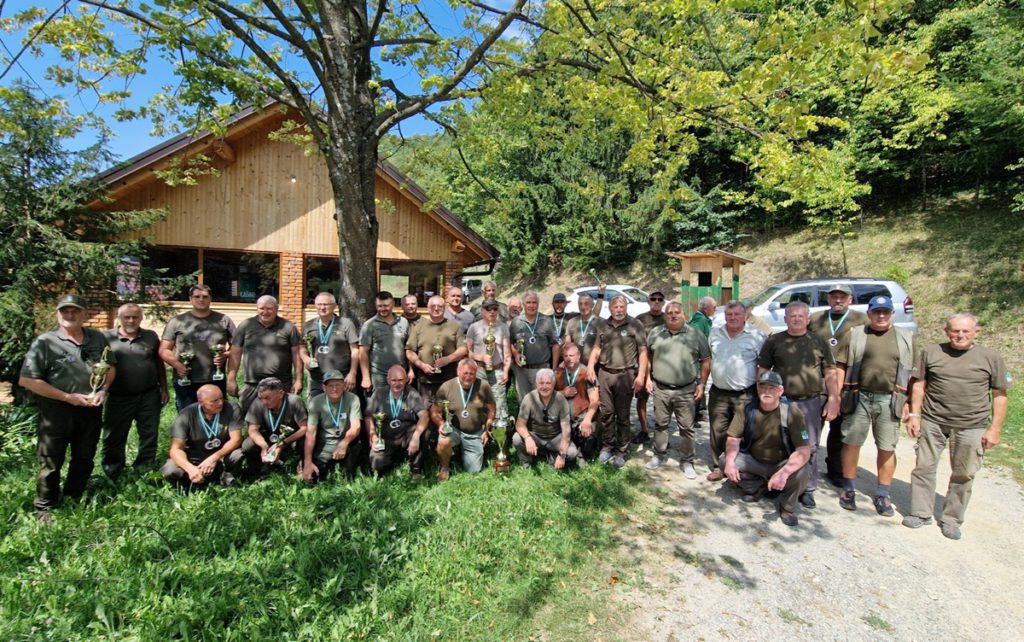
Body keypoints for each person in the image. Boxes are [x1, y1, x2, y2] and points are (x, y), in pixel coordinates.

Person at [902, 313, 1011, 540]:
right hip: (933, 421)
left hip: (972, 425)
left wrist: (995, 429)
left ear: (976, 333)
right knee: (924, 468)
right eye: (955, 331)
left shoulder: (990, 357)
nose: (960, 335)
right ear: (946, 331)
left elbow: (1000, 395)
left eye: (965, 331)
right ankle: (920, 513)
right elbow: (919, 385)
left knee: (964, 473)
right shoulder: (931, 352)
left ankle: (951, 519)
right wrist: (914, 414)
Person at [20, 294, 117, 522]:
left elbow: (110, 367)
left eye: (75, 311)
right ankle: (45, 506)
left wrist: (104, 390)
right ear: (58, 314)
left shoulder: (96, 338)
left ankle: (74, 497)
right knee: (51, 459)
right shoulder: (45, 342)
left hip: (90, 408)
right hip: (56, 411)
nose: (70, 315)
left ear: (84, 314)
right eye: (65, 311)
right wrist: (66, 397)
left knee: (84, 457)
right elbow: (28, 380)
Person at [834, 296, 914, 516]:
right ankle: (849, 489)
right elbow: (840, 366)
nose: (881, 316)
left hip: (891, 398)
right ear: (869, 314)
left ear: (891, 314)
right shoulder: (856, 334)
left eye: (885, 312)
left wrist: (910, 404)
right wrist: (838, 395)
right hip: (858, 396)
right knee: (851, 442)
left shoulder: (904, 337)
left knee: (887, 447)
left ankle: (883, 493)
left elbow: (913, 376)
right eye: (876, 312)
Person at [757, 301, 839, 508]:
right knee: (779, 444)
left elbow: (830, 372)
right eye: (791, 316)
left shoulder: (818, 342)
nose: (796, 319)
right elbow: (763, 370)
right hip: (781, 401)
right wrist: (762, 394)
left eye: (800, 316)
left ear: (808, 319)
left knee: (808, 446)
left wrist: (833, 398)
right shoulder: (775, 341)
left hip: (809, 402)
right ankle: (778, 483)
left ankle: (807, 488)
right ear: (785, 319)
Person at [722, 371, 812, 527]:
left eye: (772, 388)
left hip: (781, 463)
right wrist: (730, 462)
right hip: (755, 460)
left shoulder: (792, 413)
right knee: (725, 460)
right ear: (757, 389)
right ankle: (759, 487)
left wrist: (784, 473)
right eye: (762, 387)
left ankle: (787, 507)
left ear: (780, 391)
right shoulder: (747, 409)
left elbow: (804, 451)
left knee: (803, 470)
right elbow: (733, 439)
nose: (766, 391)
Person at [809, 284, 868, 486]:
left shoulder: (861, 320)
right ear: (828, 299)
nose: (838, 300)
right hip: (817, 382)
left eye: (842, 297)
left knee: (840, 430)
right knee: (812, 427)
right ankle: (807, 469)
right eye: (834, 296)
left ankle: (835, 469)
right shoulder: (816, 319)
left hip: (847, 382)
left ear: (850, 299)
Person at [101, 303, 168, 480]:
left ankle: (145, 469)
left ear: (141, 318)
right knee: (114, 435)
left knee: (149, 433)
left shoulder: (150, 336)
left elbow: (159, 363)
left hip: (148, 394)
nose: (131, 320)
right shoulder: (105, 337)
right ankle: (113, 470)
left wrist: (164, 388)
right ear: (119, 317)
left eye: (135, 317)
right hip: (118, 396)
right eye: (126, 317)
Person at [644, 301, 711, 476]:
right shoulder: (656, 333)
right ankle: (659, 454)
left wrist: (702, 384)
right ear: (665, 315)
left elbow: (706, 360)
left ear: (684, 315)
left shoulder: (696, 335)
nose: (673, 315)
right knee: (660, 424)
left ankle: (687, 461)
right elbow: (648, 357)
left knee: (686, 427)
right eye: (669, 312)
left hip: (685, 390)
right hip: (660, 388)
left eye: (677, 312)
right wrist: (647, 379)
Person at [707, 300, 767, 481]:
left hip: (745, 393)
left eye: (736, 314)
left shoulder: (756, 336)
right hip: (718, 392)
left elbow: (762, 366)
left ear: (745, 315)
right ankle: (719, 465)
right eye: (729, 315)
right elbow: (710, 358)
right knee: (717, 429)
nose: (732, 318)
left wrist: (760, 391)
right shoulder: (715, 333)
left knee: (742, 432)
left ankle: (739, 467)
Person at [587, 295, 649, 469]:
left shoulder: (635, 325)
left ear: (626, 307)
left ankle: (621, 451)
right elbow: (597, 348)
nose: (619, 310)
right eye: (615, 307)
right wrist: (591, 366)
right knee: (606, 413)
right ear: (610, 308)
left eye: (622, 306)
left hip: (625, 375)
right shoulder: (602, 325)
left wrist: (641, 375)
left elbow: (643, 351)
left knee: (622, 415)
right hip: (605, 374)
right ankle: (607, 446)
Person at [159, 283, 235, 411]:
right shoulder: (177, 321)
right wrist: (178, 365)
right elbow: (164, 349)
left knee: (216, 418)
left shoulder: (223, 320)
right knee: (187, 419)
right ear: (190, 299)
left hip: (214, 380)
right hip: (186, 380)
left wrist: (225, 355)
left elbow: (237, 347)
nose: (201, 299)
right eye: (197, 296)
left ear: (211, 299)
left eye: (205, 296)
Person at [227, 295, 302, 414]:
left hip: (281, 383)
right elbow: (235, 354)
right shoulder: (245, 326)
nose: (265, 312)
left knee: (281, 419)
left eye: (269, 308)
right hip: (252, 384)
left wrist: (299, 380)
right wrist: (231, 379)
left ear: (277, 309)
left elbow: (296, 356)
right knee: (249, 418)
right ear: (257, 309)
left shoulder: (288, 327)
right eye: (262, 308)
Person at [159, 384, 244, 488]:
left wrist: (214, 458)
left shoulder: (231, 408)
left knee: (238, 454)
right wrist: (190, 468)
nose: (220, 403)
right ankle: (190, 482)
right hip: (194, 456)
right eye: (214, 401)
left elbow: (236, 439)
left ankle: (226, 477)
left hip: (221, 454)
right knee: (170, 470)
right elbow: (175, 449)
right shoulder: (186, 415)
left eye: (221, 398)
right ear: (201, 402)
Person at [432, 359, 496, 480]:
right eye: (465, 373)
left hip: (475, 432)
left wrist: (486, 431)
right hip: (454, 430)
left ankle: (462, 454)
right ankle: (445, 467)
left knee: (474, 470)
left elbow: (492, 409)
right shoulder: (447, 386)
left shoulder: (483, 385)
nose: (468, 377)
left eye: (471, 373)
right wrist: (440, 424)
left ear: (476, 373)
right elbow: (435, 411)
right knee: (443, 441)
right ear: (458, 372)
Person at [365, 365, 430, 479]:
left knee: (424, 433)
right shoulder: (379, 393)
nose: (397, 384)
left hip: (406, 434)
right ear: (388, 380)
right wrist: (373, 436)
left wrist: (416, 437)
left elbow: (424, 416)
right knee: (377, 466)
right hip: (385, 437)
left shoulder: (411, 393)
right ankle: (389, 463)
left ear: (406, 380)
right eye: (394, 380)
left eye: (400, 380)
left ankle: (416, 469)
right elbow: (368, 417)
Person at [301, 369, 363, 481]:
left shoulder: (353, 399)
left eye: (338, 385)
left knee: (348, 477)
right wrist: (307, 462)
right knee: (313, 478)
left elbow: (356, 427)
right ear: (324, 387)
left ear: (344, 385)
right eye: (330, 385)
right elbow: (311, 433)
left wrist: (344, 443)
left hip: (347, 442)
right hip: (325, 444)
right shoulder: (316, 402)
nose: (334, 389)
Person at [405, 295, 468, 403]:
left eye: (440, 306)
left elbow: (463, 349)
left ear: (444, 308)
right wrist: (421, 365)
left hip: (449, 379)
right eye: (433, 306)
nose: (436, 308)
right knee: (426, 412)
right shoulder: (419, 327)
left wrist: (448, 359)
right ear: (428, 308)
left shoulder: (454, 326)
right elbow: (410, 351)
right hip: (426, 380)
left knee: (448, 410)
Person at [240, 377, 308, 474]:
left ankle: (302, 465)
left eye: (268, 398)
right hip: (268, 439)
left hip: (290, 439)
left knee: (305, 439)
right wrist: (263, 446)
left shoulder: (294, 401)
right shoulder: (257, 403)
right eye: (261, 398)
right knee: (247, 445)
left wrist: (282, 444)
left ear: (280, 393)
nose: (264, 402)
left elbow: (304, 428)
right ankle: (260, 468)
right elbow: (252, 430)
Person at [514, 369, 577, 468]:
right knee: (517, 438)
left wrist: (562, 455)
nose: (544, 387)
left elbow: (566, 431)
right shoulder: (529, 398)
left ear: (553, 384)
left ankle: (553, 456)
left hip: (555, 437)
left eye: (548, 383)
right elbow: (519, 424)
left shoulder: (560, 399)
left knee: (572, 452)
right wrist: (527, 438)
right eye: (541, 383)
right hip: (536, 437)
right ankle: (526, 462)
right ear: (536, 384)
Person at [301, 292, 359, 398]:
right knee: (317, 410)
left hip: (341, 379)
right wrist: (306, 359)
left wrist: (352, 373)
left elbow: (355, 350)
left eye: (326, 304)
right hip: (317, 379)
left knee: (342, 410)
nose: (322, 307)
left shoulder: (346, 324)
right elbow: (302, 347)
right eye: (319, 304)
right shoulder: (308, 325)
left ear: (334, 306)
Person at [466, 298, 513, 428]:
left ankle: (499, 436)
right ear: (482, 311)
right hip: (478, 371)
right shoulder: (474, 327)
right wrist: (481, 357)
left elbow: (507, 353)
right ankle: (477, 434)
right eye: (488, 309)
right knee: (477, 403)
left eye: (495, 309)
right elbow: (467, 352)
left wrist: (505, 371)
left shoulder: (503, 327)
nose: (492, 312)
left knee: (500, 404)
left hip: (497, 371)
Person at [510, 292, 560, 401]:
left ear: (538, 304)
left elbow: (555, 345)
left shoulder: (547, 321)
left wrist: (554, 369)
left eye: (534, 302)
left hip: (542, 368)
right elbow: (510, 343)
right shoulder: (516, 322)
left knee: (542, 401)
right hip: (521, 370)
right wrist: (515, 354)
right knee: (523, 401)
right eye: (528, 302)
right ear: (523, 304)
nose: (531, 305)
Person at [632, 289, 667, 445]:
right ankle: (644, 430)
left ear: (664, 302)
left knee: (662, 403)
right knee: (642, 399)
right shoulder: (640, 319)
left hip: (663, 365)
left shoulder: (669, 318)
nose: (657, 301)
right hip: (643, 365)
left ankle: (660, 433)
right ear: (648, 301)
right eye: (654, 299)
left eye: (660, 299)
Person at [358, 291, 411, 393]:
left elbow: (408, 348)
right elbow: (363, 352)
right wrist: (366, 377)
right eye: (379, 306)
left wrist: (411, 370)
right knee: (377, 407)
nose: (382, 309)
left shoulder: (403, 322)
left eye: (386, 306)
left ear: (393, 305)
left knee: (399, 406)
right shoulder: (369, 325)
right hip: (378, 376)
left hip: (400, 375)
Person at [555, 342, 600, 461]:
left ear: (578, 355)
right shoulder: (558, 373)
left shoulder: (587, 374)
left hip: (581, 418)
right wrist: (562, 393)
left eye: (571, 355)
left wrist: (587, 420)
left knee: (588, 442)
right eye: (565, 356)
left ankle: (581, 454)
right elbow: (546, 395)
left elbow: (595, 401)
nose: (568, 359)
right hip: (562, 419)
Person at [563, 292, 605, 367]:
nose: (583, 307)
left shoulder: (601, 323)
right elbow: (567, 345)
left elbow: (600, 348)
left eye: (586, 304)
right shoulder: (572, 322)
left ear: (592, 305)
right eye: (580, 304)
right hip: (576, 366)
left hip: (595, 366)